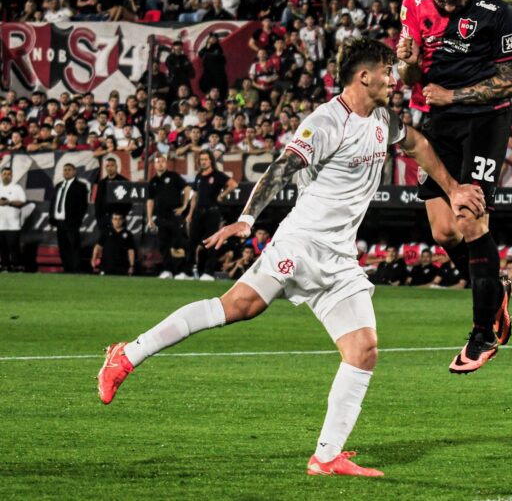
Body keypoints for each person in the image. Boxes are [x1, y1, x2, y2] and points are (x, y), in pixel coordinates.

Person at [97, 38, 485, 478]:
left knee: (363, 350)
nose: (393, 79)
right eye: (386, 72)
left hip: (340, 258)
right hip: (301, 243)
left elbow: (417, 144)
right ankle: (127, 354)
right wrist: (247, 219)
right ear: (364, 76)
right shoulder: (325, 122)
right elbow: (282, 167)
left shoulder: (383, 120)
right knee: (239, 306)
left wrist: (453, 188)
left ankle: (327, 457)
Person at [397, 0, 512, 373]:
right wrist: (407, 61)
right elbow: (410, 77)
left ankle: (483, 334)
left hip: (486, 120)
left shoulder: (499, 13)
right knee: (443, 230)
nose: (448, 8)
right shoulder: (414, 3)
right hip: (439, 120)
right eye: (442, 2)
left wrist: (455, 95)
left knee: (469, 217)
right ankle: (495, 293)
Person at [187, 150, 238, 281]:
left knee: (211, 242)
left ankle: (208, 272)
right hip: (198, 212)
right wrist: (190, 213)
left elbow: (233, 184)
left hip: (212, 212)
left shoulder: (217, 175)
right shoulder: (199, 176)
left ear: (210, 161)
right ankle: (190, 271)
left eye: (205, 159)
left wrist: (223, 195)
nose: (203, 162)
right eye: (201, 159)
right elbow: (194, 196)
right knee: (192, 242)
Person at [147, 154, 193, 279]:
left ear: (166, 163)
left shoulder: (173, 176)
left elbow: (187, 188)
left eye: (163, 161)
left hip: (175, 215)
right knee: (164, 245)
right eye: (158, 161)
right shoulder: (153, 181)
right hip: (161, 217)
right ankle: (168, 270)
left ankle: (184, 271)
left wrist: (184, 205)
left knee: (180, 243)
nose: (160, 164)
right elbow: (150, 201)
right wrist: (150, 218)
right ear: (154, 164)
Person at [50, 163, 88, 273]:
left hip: (71, 223)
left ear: (74, 172)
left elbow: (83, 206)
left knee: (74, 247)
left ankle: (76, 271)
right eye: (65, 170)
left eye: (69, 170)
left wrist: (77, 221)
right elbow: (54, 202)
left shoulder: (80, 186)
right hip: (59, 222)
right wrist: (52, 217)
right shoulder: (59, 185)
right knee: (63, 248)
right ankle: (67, 269)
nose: (66, 172)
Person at [93, 157, 130, 236]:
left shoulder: (123, 181)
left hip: (118, 219)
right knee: (104, 240)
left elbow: (128, 202)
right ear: (105, 168)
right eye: (108, 166)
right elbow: (98, 200)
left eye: (112, 165)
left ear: (116, 166)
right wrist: (98, 216)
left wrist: (121, 215)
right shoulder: (102, 183)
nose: (110, 168)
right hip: (103, 219)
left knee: (118, 240)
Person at [0, 166, 27, 271]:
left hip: (13, 225)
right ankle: (5, 266)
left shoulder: (17, 188)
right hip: (0, 225)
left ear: (11, 176)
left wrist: (8, 202)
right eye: (4, 174)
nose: (6, 176)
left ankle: (17, 266)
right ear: (1, 175)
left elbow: (22, 202)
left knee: (14, 247)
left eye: (9, 174)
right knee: (2, 249)